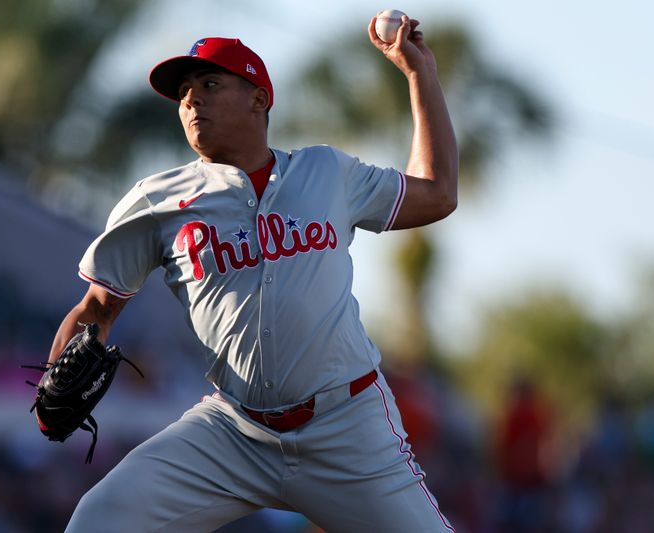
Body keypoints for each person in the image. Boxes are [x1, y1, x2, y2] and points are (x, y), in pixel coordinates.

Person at [53, 14, 458, 533]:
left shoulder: (326, 173)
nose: (192, 100)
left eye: (210, 84)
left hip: (346, 427)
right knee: (98, 519)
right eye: (183, 93)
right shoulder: (157, 200)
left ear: (258, 99)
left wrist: (419, 73)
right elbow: (96, 309)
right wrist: (54, 378)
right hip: (234, 431)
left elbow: (438, 193)